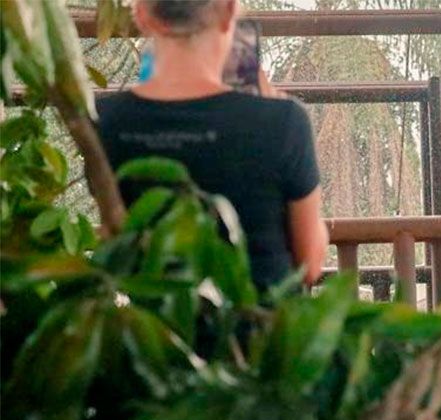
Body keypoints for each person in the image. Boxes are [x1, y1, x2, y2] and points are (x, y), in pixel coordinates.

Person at [97, 0, 327, 292]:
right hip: (265, 331)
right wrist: (273, 113)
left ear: (142, 15)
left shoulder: (105, 120)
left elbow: (115, 242)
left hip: (158, 331)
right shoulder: (283, 122)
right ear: (229, 10)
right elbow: (310, 264)